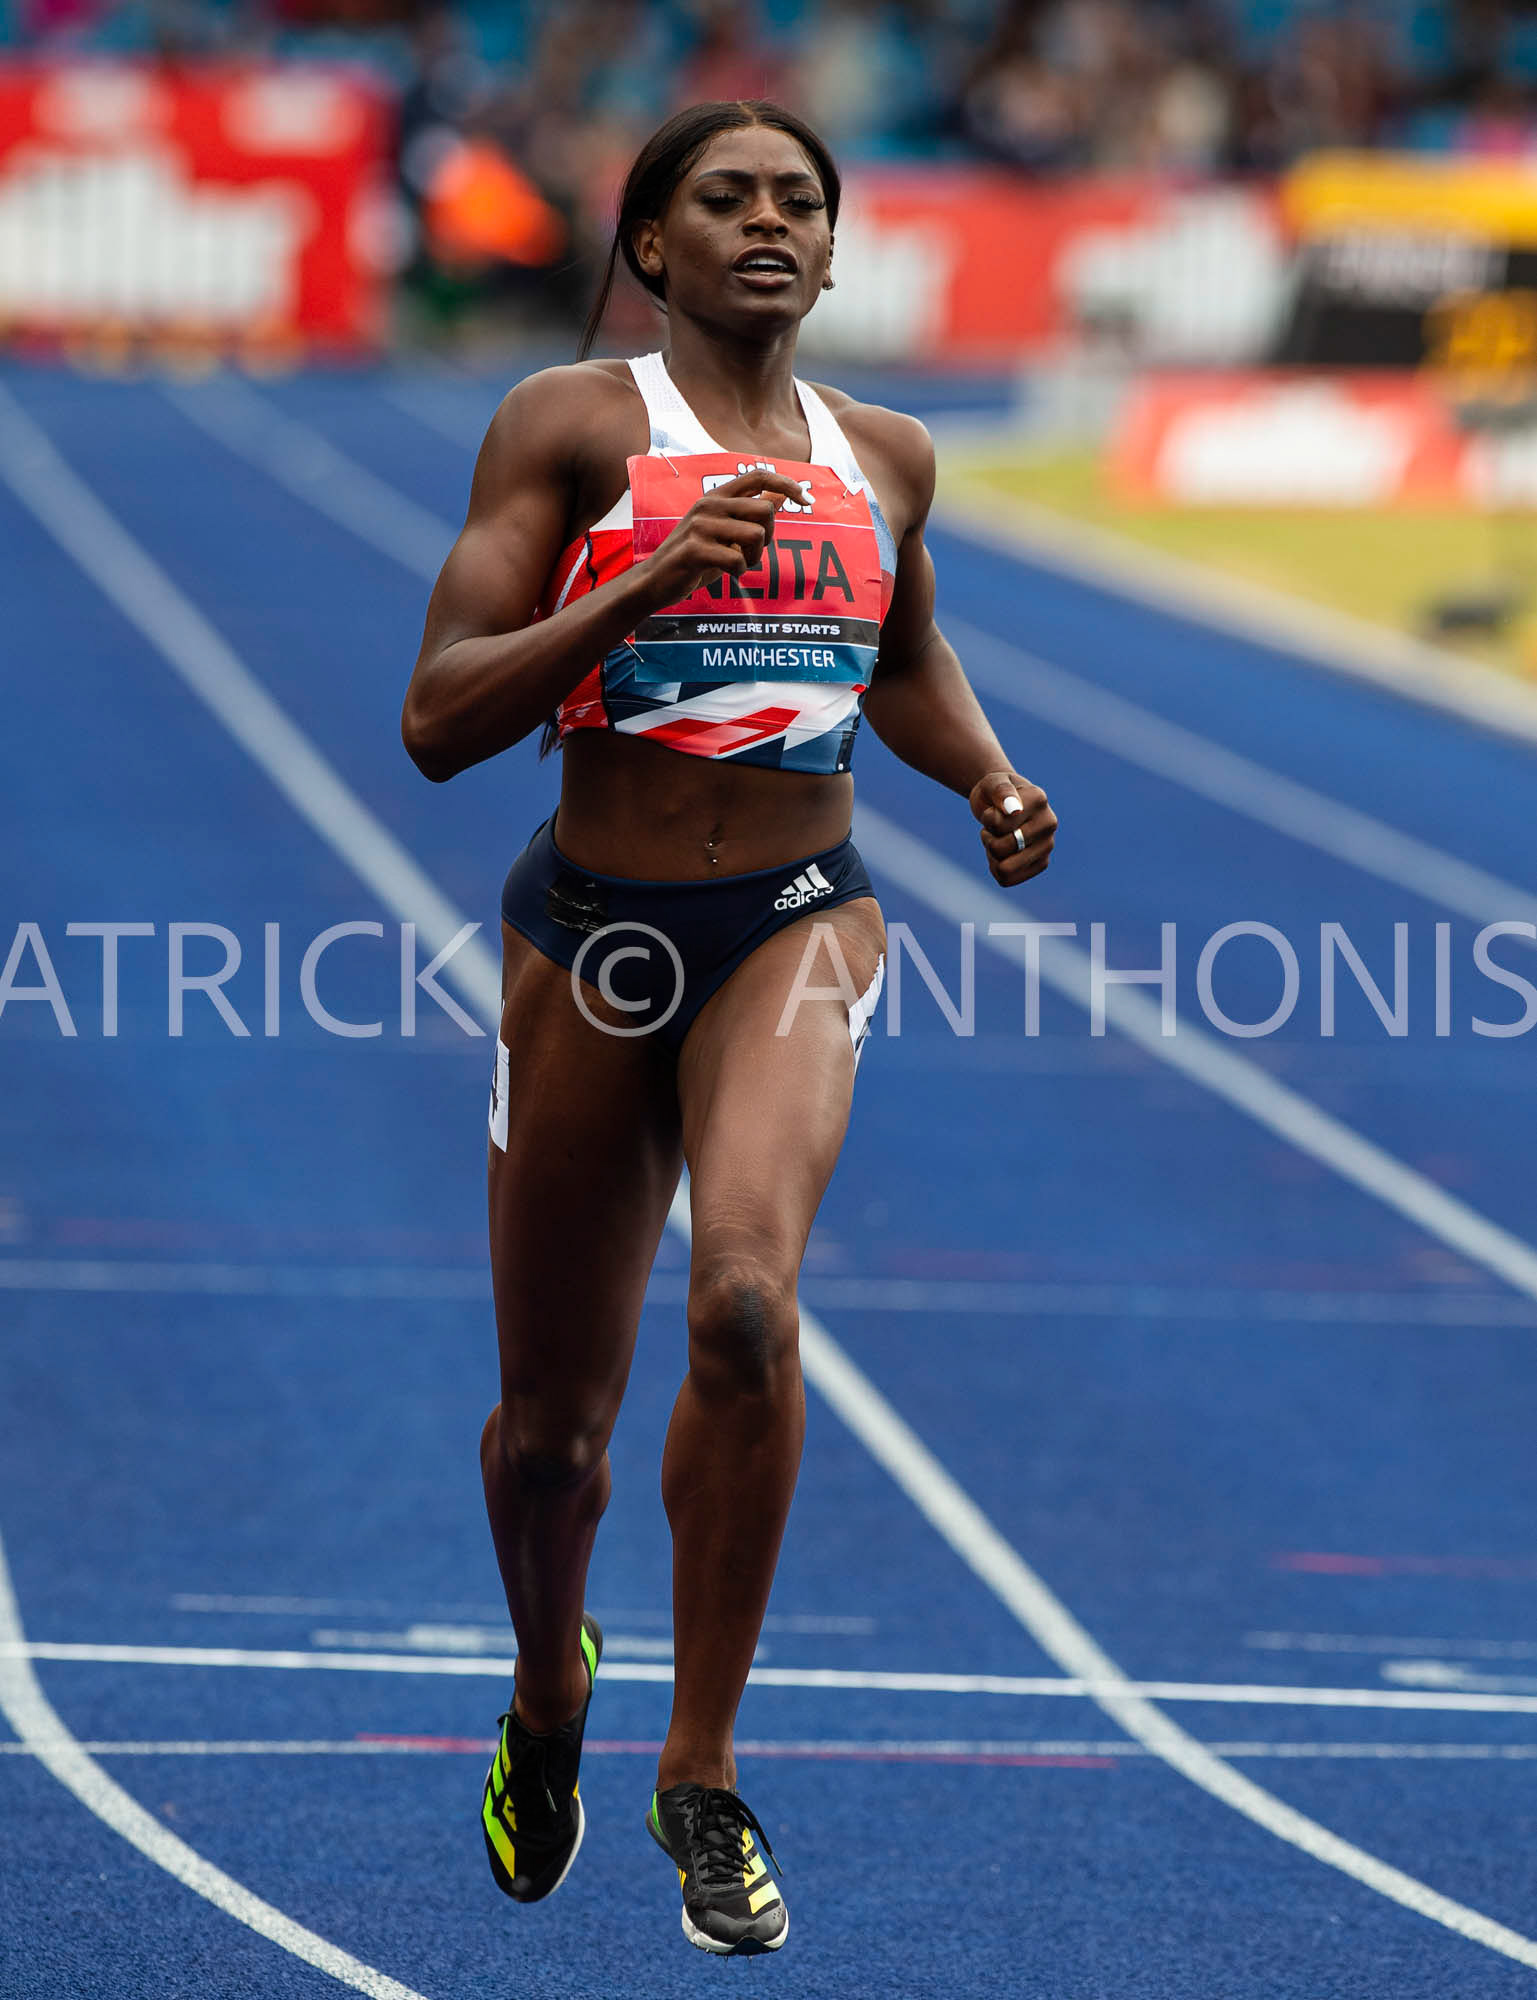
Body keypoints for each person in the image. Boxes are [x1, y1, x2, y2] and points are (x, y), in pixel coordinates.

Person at [401, 98, 1056, 1958]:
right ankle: (550, 1693)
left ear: (835, 255)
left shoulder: (889, 457)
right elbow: (437, 718)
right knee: (549, 1441)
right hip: (589, 938)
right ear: (654, 246)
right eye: (724, 197)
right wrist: (639, 588)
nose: (767, 222)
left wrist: (990, 775)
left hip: (795, 919)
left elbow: (903, 657)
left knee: (750, 1307)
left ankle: (703, 1771)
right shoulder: (571, 426)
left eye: (800, 202)